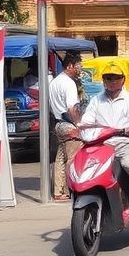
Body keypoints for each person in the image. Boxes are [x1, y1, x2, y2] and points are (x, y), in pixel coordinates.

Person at [71, 60, 129, 215]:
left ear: (123, 79)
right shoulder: (96, 100)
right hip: (102, 143)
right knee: (81, 165)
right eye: (108, 78)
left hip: (126, 142)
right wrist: (78, 128)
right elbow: (87, 120)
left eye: (116, 77)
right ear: (103, 81)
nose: (112, 81)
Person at [49, 51, 83, 202]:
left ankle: (58, 191)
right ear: (69, 66)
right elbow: (72, 108)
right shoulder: (69, 83)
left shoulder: (54, 82)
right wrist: (79, 125)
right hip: (69, 125)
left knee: (60, 158)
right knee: (73, 159)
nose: (80, 69)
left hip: (58, 124)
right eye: (78, 66)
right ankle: (71, 189)